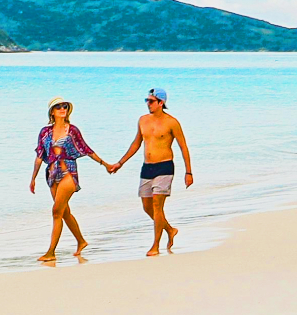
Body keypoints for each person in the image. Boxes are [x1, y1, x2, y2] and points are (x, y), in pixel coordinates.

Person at [107, 88, 193, 256]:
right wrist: (120, 163)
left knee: (157, 205)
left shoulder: (172, 122)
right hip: (147, 167)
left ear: (161, 103)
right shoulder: (143, 120)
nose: (148, 104)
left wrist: (188, 172)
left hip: (165, 166)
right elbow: (136, 144)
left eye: (151, 101)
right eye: (146, 100)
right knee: (147, 207)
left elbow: (183, 147)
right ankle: (169, 229)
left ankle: (155, 245)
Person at [30, 97, 111, 262]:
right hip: (52, 173)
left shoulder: (73, 130)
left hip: (69, 172)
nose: (62, 108)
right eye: (58, 107)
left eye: (64, 106)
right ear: (52, 112)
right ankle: (81, 241)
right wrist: (33, 178)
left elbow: (86, 149)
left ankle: (51, 252)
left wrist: (105, 164)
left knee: (56, 211)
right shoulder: (45, 132)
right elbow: (39, 156)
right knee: (64, 212)